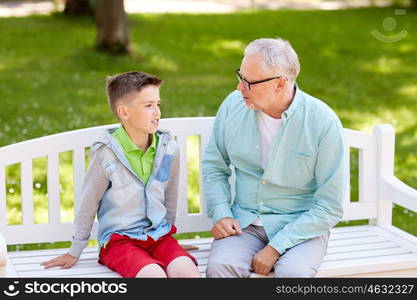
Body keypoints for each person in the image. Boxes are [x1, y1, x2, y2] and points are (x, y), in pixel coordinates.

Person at [202, 38, 347, 278]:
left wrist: (275, 247)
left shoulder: (323, 122)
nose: (240, 88)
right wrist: (221, 212)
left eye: (248, 82)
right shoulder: (232, 106)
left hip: (301, 228)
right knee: (219, 269)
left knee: (294, 275)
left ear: (280, 84)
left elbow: (329, 205)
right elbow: (215, 166)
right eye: (240, 76)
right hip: (244, 225)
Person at [41, 71, 200, 278]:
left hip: (159, 237)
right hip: (119, 241)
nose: (157, 112)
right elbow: (89, 202)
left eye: (158, 104)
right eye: (148, 106)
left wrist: (169, 236)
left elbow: (169, 194)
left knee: (188, 272)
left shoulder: (169, 148)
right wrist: (75, 250)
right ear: (124, 112)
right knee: (154, 275)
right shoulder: (106, 153)